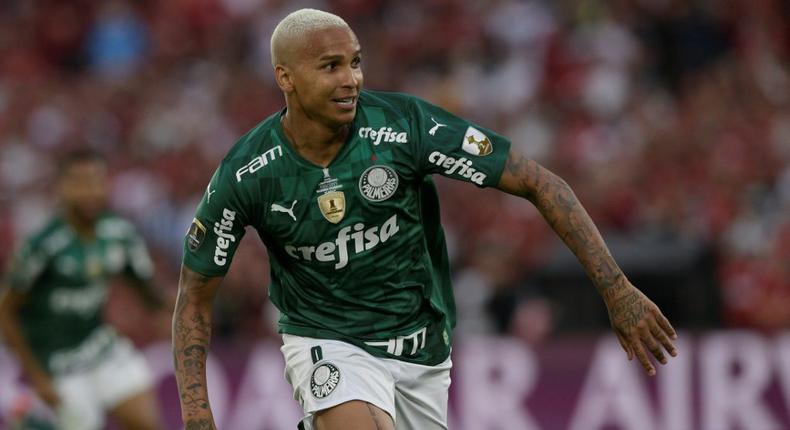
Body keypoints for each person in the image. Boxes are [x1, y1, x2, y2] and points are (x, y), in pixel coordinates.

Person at [173, 8, 679, 430]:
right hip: (326, 338)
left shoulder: (405, 126)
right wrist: (197, 414)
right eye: (331, 66)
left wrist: (616, 289)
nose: (351, 79)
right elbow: (194, 299)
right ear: (285, 76)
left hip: (422, 347)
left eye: (355, 63)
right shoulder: (248, 173)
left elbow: (539, 182)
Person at [0, 150, 167, 430]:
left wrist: (186, 314)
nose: (89, 190)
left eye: (95, 181)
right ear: (62, 188)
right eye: (79, 182)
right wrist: (37, 376)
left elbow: (151, 296)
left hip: (100, 348)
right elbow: (6, 311)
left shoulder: (120, 234)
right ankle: (32, 418)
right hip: (57, 366)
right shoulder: (42, 245)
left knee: (146, 423)